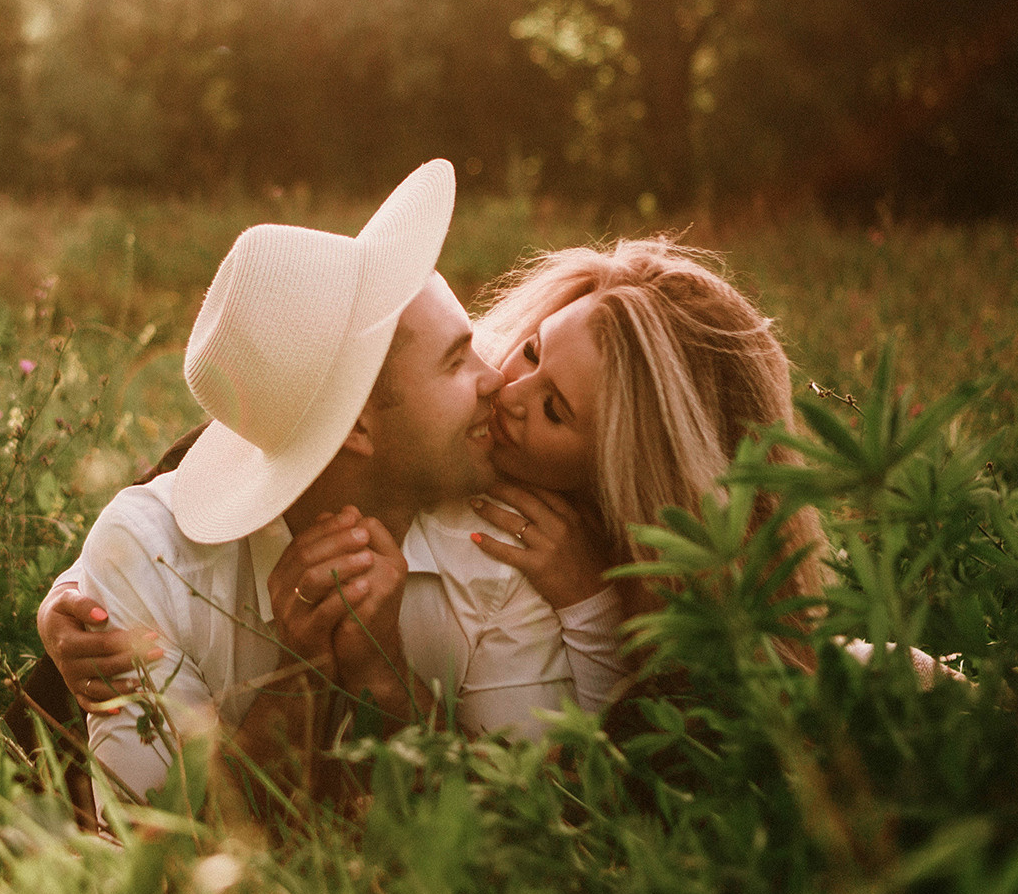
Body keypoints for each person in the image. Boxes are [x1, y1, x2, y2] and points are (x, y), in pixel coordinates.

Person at [56, 161, 632, 806]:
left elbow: (532, 819)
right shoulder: (147, 557)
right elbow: (156, 843)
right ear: (356, 427)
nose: (496, 377)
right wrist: (298, 681)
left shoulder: (500, 537)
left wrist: (387, 683)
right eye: (454, 361)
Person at [460, 238, 827, 669]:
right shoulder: (463, 367)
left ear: (622, 470)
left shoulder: (689, 594)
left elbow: (649, 725)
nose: (509, 392)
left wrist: (588, 606)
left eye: (554, 410)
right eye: (532, 351)